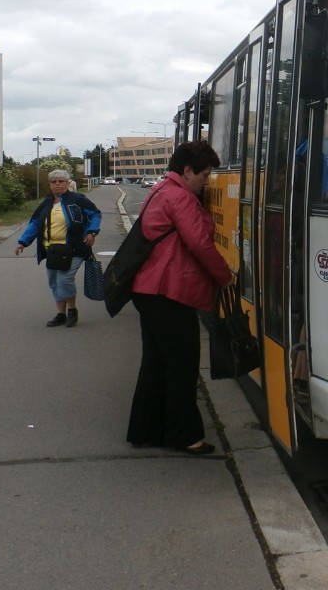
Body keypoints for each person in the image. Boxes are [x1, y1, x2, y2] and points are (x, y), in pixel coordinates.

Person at [126, 140, 235, 455]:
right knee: (183, 365)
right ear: (187, 171)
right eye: (204, 175)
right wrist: (225, 277)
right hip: (169, 292)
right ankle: (184, 436)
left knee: (156, 362)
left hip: (149, 290)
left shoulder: (160, 190)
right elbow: (200, 244)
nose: (206, 182)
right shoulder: (180, 197)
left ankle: (145, 429)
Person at [15, 169, 102, 327]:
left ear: (68, 183)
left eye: (61, 181)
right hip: (53, 250)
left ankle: (72, 310)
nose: (57, 184)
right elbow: (35, 224)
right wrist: (23, 242)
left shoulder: (78, 199)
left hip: (74, 248)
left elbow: (95, 214)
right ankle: (60, 314)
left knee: (64, 279)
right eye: (54, 182)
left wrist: (92, 232)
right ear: (50, 185)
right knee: (54, 282)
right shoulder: (46, 204)